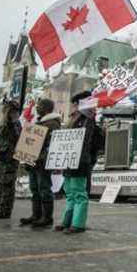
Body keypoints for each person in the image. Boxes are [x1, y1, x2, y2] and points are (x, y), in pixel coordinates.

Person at [54, 92, 99, 233]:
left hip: (80, 161)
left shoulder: (87, 119)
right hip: (69, 159)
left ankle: (78, 224)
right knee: (70, 192)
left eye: (75, 104)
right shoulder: (74, 119)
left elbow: (85, 139)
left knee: (79, 192)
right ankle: (67, 221)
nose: (73, 106)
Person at [19, 98, 61, 229]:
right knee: (34, 188)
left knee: (44, 189)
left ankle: (47, 217)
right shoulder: (40, 122)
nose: (37, 108)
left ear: (47, 108)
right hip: (33, 161)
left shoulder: (53, 124)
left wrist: (41, 156)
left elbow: (51, 144)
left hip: (42, 161)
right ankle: (36, 215)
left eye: (40, 106)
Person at [0, 101, 22, 219]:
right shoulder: (4, 123)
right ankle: (1, 209)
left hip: (8, 158)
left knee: (6, 184)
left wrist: (9, 121)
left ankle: (3, 210)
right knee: (1, 184)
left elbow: (15, 138)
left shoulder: (14, 123)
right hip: (1, 157)